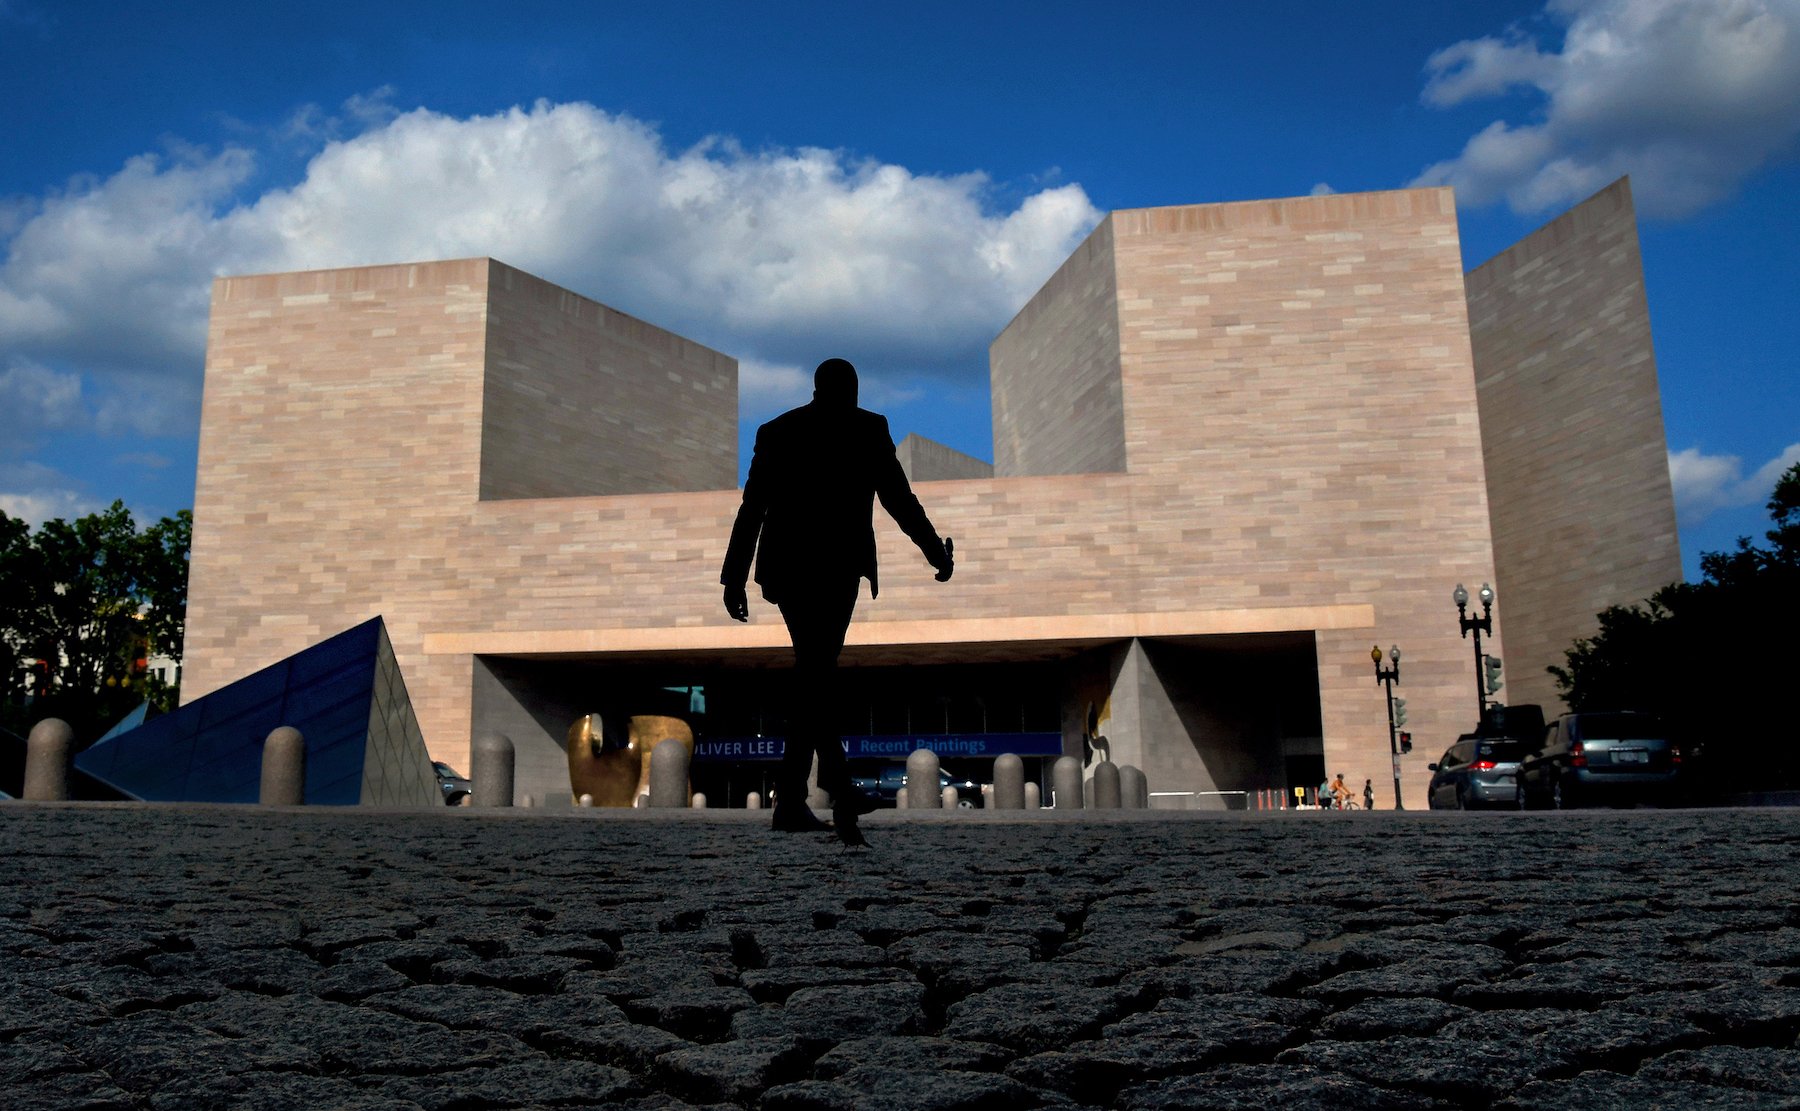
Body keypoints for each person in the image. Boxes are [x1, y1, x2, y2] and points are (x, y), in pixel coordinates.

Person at [722, 358, 954, 846]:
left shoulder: (777, 430)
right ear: (851, 389)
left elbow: (753, 508)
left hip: (789, 570)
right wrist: (935, 551)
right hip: (836, 570)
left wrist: (734, 578)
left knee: (814, 673)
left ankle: (793, 799)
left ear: (815, 387)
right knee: (817, 672)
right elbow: (899, 498)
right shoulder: (867, 428)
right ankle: (840, 791)